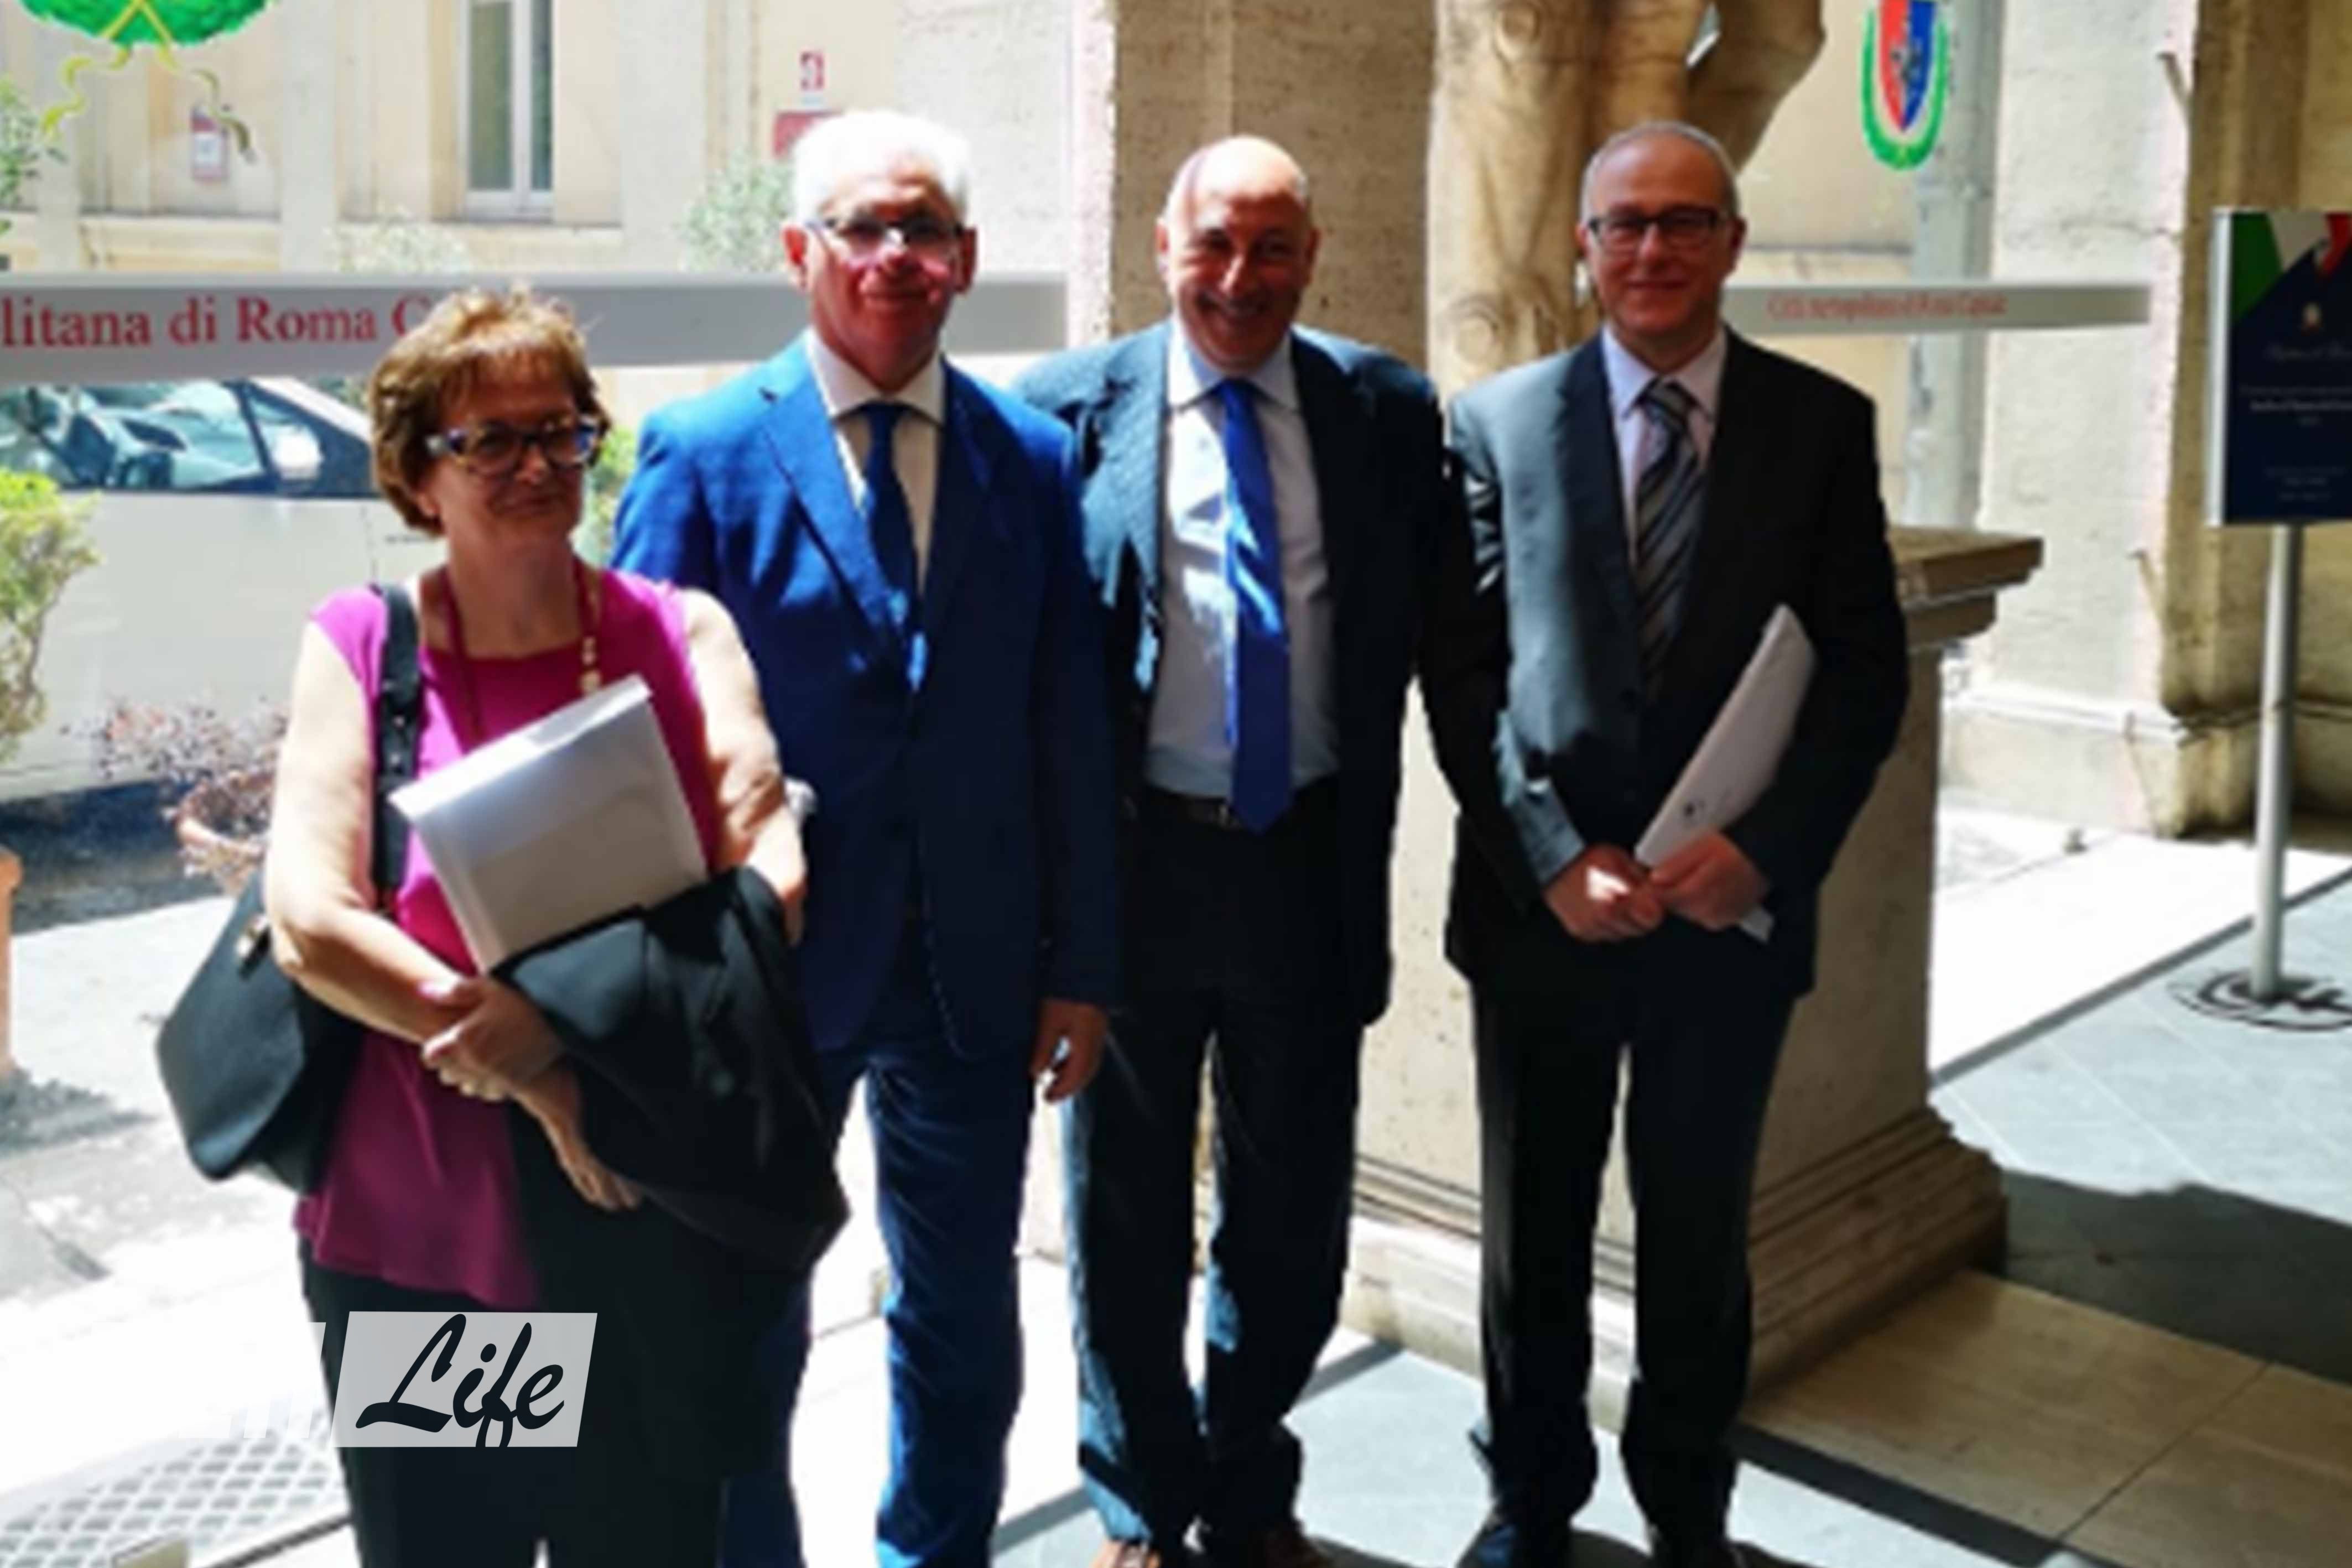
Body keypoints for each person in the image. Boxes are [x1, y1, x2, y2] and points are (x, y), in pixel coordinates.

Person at [610, 110, 1118, 1568]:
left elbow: (1069, 727)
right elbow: (638, 739)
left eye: (924, 229)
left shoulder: (1032, 457)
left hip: (975, 974)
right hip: (766, 979)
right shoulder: (702, 452)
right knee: (741, 1318)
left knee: (961, 1318)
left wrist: (1081, 965)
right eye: (862, 227)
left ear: (966, 256)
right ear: (800, 251)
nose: (895, 256)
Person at [1423, 122, 1909, 1568]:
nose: (1651, 248)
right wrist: (1547, 854)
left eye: (1684, 221)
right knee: (1532, 1231)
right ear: (1582, 248)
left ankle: (1686, 1503)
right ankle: (1530, 1496)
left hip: (1721, 919)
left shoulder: (1819, 427)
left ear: (1731, 242)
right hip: (1544, 918)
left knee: (1696, 1234)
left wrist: (1762, 850)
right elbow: (1461, 677)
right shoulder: (1495, 423)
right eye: (1623, 223)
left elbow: (1862, 673)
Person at [264, 285, 810, 1566]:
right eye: (490, 439)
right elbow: (310, 920)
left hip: (649, 1221)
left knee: (646, 1547)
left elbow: (772, 873)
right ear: (416, 475)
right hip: (433, 1243)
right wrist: (533, 1067)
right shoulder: (366, 643)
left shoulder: (677, 631)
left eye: (560, 429)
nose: (537, 463)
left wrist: (552, 1018)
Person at [1016, 136, 1445, 1568]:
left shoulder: (1383, 410)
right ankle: (1139, 1500)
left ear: (1311, 255)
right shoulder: (1062, 413)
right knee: (1121, 1207)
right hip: (1134, 866)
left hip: (1306, 864)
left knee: (1290, 1212)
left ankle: (1252, 1479)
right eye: (1211, 243)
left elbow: (1442, 626)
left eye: (1270, 248)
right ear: (1161, 246)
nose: (1238, 277)